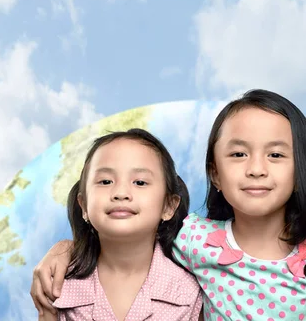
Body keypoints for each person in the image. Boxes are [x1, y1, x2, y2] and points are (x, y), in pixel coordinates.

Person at [32, 89, 306, 321]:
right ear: (214, 173)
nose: (256, 168)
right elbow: (129, 234)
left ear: (301, 172)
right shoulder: (196, 239)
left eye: (275, 154)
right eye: (238, 154)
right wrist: (65, 249)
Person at [37, 128, 203, 321]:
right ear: (83, 206)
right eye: (105, 181)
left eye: (140, 182)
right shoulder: (59, 284)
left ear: (168, 206)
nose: (121, 192)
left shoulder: (190, 291)